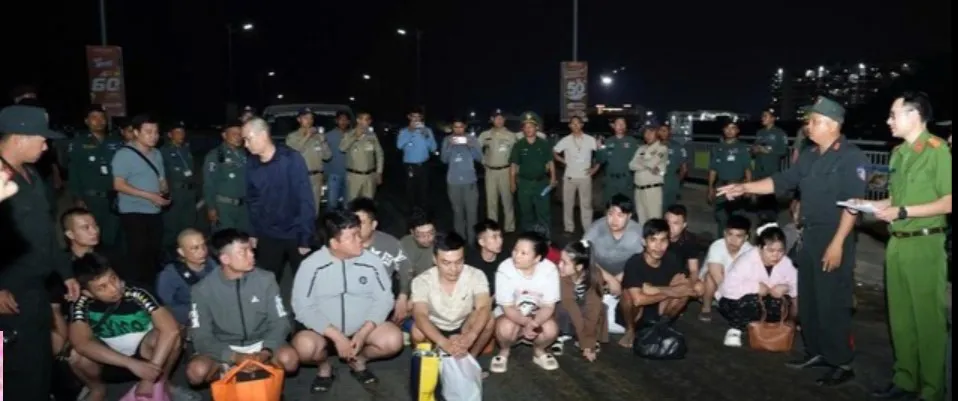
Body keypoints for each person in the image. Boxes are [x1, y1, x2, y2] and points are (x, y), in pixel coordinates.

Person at [717, 96, 868, 386]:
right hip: (808, 235)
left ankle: (840, 361)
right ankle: (817, 351)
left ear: (832, 124)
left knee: (832, 301)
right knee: (809, 299)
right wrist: (745, 187)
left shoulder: (851, 157)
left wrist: (837, 243)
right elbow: (780, 181)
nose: (808, 126)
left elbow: (853, 205)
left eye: (815, 121)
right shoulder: (810, 155)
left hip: (834, 235)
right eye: (809, 121)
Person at [867, 92, 952, 401]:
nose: (888, 120)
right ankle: (905, 380)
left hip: (925, 243)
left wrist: (902, 212)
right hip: (897, 243)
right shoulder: (898, 153)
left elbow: (948, 201)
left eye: (894, 114)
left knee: (928, 319)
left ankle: (932, 390)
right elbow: (898, 198)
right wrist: (869, 204)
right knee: (900, 318)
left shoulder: (937, 150)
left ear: (914, 115)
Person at [0, 104, 81, 401]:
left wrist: (65, 272)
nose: (46, 147)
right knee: (14, 370)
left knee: (39, 362)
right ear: (19, 138)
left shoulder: (31, 175)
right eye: (42, 139)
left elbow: (46, 231)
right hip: (9, 293)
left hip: (36, 288)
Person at [291, 210, 402, 392]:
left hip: (361, 329)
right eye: (352, 237)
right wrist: (336, 336)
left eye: (359, 233)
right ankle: (324, 367)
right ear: (334, 243)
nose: (360, 240)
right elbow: (302, 307)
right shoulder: (311, 266)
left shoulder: (372, 262)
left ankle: (359, 361)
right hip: (324, 332)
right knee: (304, 348)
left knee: (393, 340)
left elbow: (385, 299)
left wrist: (363, 333)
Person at [68, 253, 197, 401]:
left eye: (113, 278)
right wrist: (131, 364)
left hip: (147, 352)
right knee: (76, 356)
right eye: (102, 287)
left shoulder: (137, 291)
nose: (114, 288)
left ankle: (162, 383)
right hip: (109, 356)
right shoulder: (81, 303)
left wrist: (148, 377)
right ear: (88, 293)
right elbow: (81, 343)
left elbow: (171, 330)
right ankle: (97, 388)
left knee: (174, 335)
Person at [185, 228, 298, 386]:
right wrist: (232, 356)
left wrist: (266, 351)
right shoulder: (202, 290)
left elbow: (280, 321)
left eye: (251, 250)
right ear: (225, 259)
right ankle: (227, 372)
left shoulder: (265, 279)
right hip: (225, 347)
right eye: (243, 252)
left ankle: (263, 369)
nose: (251, 255)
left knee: (289, 359)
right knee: (196, 371)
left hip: (261, 343)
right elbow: (201, 336)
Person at [243, 118, 316, 282]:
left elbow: (305, 200)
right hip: (268, 235)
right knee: (268, 281)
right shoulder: (251, 164)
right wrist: (253, 233)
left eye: (248, 139)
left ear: (263, 135)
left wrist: (305, 238)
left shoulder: (291, 159)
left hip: (294, 233)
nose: (245, 145)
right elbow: (252, 201)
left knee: (304, 281)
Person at [410, 232, 495, 358]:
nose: (454, 269)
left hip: (464, 324)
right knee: (417, 331)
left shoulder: (476, 275)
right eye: (446, 263)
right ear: (435, 260)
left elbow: (483, 307)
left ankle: (471, 358)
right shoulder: (421, 281)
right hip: (436, 326)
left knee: (489, 319)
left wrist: (471, 336)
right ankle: (433, 361)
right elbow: (420, 315)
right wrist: (444, 343)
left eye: (459, 262)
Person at [620, 219, 702, 346]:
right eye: (653, 240)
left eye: (663, 240)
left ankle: (662, 326)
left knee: (684, 290)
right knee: (627, 294)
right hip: (635, 314)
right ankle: (630, 330)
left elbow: (694, 288)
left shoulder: (672, 259)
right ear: (644, 242)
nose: (659, 246)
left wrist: (657, 290)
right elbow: (638, 300)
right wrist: (672, 291)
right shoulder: (634, 263)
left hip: (660, 310)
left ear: (668, 242)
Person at [489, 232, 562, 373]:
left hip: (537, 314)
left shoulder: (549, 270)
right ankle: (504, 351)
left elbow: (548, 306)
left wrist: (534, 323)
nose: (516, 256)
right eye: (515, 250)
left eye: (523, 253)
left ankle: (539, 351)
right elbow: (507, 307)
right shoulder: (505, 268)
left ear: (537, 258)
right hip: (511, 315)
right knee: (505, 328)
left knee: (551, 330)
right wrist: (526, 322)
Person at [717, 223, 798, 347]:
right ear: (760, 248)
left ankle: (768, 326)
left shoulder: (785, 263)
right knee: (752, 300)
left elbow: (797, 287)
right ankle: (736, 328)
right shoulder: (746, 260)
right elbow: (727, 288)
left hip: (765, 304)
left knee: (783, 302)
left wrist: (787, 288)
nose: (776, 255)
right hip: (734, 302)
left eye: (780, 251)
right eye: (770, 250)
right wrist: (755, 287)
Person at [112, 114, 169, 285]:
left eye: (156, 132)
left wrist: (164, 192)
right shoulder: (124, 155)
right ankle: (138, 288)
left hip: (154, 210)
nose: (154, 136)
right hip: (134, 212)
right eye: (148, 132)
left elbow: (161, 179)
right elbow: (119, 185)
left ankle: (152, 286)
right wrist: (150, 195)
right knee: (138, 254)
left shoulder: (156, 153)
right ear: (136, 132)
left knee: (153, 252)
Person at [66, 104, 124, 248]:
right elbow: (73, 171)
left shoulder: (116, 141)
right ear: (87, 121)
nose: (99, 121)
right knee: (91, 237)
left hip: (113, 198)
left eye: (102, 117)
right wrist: (77, 198)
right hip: (90, 199)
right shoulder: (78, 143)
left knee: (112, 236)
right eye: (94, 117)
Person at [348, 197, 412, 323]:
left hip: (379, 308)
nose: (356, 227)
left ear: (373, 225)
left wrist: (403, 296)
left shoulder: (389, 243)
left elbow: (406, 268)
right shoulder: (342, 244)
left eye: (361, 223)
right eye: (353, 222)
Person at [583, 194, 645, 297]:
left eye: (620, 215)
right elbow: (583, 252)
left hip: (626, 273)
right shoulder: (596, 228)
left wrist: (618, 280)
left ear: (629, 216)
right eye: (610, 214)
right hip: (598, 271)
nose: (614, 220)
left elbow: (642, 260)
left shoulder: (637, 233)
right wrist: (609, 279)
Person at [555, 240, 607, 361]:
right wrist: (586, 342)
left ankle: (588, 336)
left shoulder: (595, 275)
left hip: (583, 310)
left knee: (601, 308)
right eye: (560, 260)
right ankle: (561, 334)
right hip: (569, 311)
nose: (559, 265)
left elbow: (593, 308)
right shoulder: (562, 276)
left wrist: (588, 342)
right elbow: (571, 306)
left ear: (579, 267)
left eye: (564, 263)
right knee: (561, 307)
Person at [155, 229, 216, 327]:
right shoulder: (170, 275)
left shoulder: (212, 264)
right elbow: (163, 307)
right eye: (195, 248)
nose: (202, 251)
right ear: (182, 252)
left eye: (203, 245)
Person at [699, 215, 753, 322]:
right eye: (730, 234)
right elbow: (716, 275)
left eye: (738, 236)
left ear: (746, 237)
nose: (733, 240)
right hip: (711, 284)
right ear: (724, 233)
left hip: (734, 285)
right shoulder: (717, 246)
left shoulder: (750, 251)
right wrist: (728, 301)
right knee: (710, 277)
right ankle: (706, 308)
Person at [510, 111, 556, 234]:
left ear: (536, 128)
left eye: (531, 126)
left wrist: (553, 178)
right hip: (525, 184)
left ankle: (545, 237)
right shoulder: (519, 145)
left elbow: (550, 162)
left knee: (544, 212)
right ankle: (529, 238)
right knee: (526, 212)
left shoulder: (544, 144)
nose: (528, 129)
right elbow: (513, 165)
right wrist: (512, 182)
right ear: (523, 129)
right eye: (525, 127)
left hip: (542, 183)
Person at [553, 116, 599, 234]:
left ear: (582, 125)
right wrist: (563, 161)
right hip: (569, 176)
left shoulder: (590, 139)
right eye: (573, 123)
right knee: (568, 204)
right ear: (569, 126)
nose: (575, 125)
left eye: (578, 123)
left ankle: (587, 228)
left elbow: (600, 154)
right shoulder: (566, 140)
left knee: (586, 204)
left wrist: (595, 168)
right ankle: (569, 228)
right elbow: (554, 152)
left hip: (585, 176)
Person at [441, 117, 483, 243]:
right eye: (456, 127)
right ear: (452, 128)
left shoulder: (471, 139)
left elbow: (479, 157)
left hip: (469, 181)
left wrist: (471, 146)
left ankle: (472, 240)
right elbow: (444, 159)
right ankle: (460, 240)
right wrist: (449, 146)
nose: (458, 130)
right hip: (453, 182)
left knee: (472, 213)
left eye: (461, 127)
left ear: (465, 127)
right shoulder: (447, 140)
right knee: (457, 212)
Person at [202, 120, 250, 231]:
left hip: (243, 207)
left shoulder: (245, 154)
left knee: (243, 237)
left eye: (240, 134)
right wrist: (211, 207)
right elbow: (209, 183)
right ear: (224, 135)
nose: (238, 137)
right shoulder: (215, 155)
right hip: (224, 207)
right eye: (234, 134)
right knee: (225, 238)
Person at [708, 119, 751, 237]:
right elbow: (713, 170)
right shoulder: (717, 148)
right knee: (721, 217)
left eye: (733, 128)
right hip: (721, 186)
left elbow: (747, 168)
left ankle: (737, 242)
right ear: (723, 130)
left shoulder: (742, 147)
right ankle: (721, 241)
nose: (729, 131)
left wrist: (748, 188)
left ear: (737, 131)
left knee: (737, 219)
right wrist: (710, 188)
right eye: (727, 128)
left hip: (736, 186)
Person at [285, 107, 332, 215]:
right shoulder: (292, 136)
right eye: (305, 118)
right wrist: (307, 136)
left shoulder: (318, 137)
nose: (309, 121)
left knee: (315, 208)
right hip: (300, 176)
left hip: (316, 177)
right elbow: (293, 152)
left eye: (311, 118)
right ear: (299, 120)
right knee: (300, 207)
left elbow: (327, 156)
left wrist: (323, 142)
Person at [159, 121, 199, 250]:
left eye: (182, 132)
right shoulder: (163, 151)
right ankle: (168, 253)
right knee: (172, 226)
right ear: (170, 134)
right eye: (177, 132)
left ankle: (186, 251)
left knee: (189, 225)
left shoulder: (186, 149)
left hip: (189, 193)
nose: (181, 135)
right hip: (174, 193)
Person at [478, 110, 518, 232]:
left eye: (501, 118)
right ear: (492, 120)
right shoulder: (485, 135)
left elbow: (516, 155)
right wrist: (483, 161)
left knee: (507, 200)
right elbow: (476, 150)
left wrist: (515, 173)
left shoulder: (511, 135)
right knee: (491, 201)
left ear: (504, 120)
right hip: (490, 172)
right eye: (496, 118)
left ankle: (510, 227)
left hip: (506, 171)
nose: (499, 120)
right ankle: (493, 227)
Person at [397, 107, 437, 212]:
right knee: (410, 190)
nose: (416, 119)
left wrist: (426, 135)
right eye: (413, 117)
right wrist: (410, 131)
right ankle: (411, 213)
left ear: (422, 118)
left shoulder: (427, 130)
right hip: (410, 165)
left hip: (424, 165)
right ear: (409, 117)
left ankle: (423, 213)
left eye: (418, 117)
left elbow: (433, 148)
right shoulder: (404, 131)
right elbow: (399, 146)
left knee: (424, 191)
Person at [751, 111, 789, 222]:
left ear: (773, 118)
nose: (762, 118)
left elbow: (783, 151)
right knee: (760, 197)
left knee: (770, 197)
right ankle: (761, 220)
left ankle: (771, 221)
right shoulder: (760, 132)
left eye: (765, 116)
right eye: (762, 116)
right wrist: (754, 150)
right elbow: (754, 149)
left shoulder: (779, 133)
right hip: (759, 169)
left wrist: (768, 151)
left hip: (771, 169)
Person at [340, 112, 385, 202]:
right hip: (354, 176)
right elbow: (342, 148)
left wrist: (379, 172)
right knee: (353, 203)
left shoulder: (372, 135)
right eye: (363, 119)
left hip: (370, 176)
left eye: (368, 120)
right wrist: (355, 137)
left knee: (368, 203)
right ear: (358, 120)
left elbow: (379, 154)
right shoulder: (349, 134)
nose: (366, 122)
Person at [595, 117, 640, 207]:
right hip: (610, 181)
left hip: (626, 181)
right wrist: (599, 148)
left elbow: (639, 159)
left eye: (623, 124)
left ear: (626, 126)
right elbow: (601, 160)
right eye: (618, 124)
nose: (621, 126)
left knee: (626, 207)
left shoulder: (632, 142)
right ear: (613, 126)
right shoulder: (607, 141)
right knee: (609, 207)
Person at [630, 125, 668, 223]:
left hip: (652, 190)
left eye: (651, 132)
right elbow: (631, 165)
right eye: (646, 132)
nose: (648, 135)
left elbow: (652, 163)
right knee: (641, 221)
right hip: (638, 190)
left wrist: (641, 162)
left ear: (657, 134)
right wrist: (647, 165)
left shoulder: (662, 148)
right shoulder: (641, 148)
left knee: (654, 221)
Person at [465, 219, 508, 297]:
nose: (500, 240)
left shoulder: (506, 257)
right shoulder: (471, 263)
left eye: (500, 236)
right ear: (481, 242)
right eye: (494, 237)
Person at [400, 208, 438, 291]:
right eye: (421, 235)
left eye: (431, 233)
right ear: (412, 233)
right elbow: (405, 277)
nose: (427, 238)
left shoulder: (441, 244)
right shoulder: (405, 244)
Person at [324, 111, 352, 210]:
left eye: (345, 120)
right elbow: (324, 156)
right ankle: (330, 219)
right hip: (334, 174)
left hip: (350, 175)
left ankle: (346, 220)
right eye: (341, 120)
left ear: (349, 121)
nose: (343, 122)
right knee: (332, 203)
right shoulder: (328, 136)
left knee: (348, 204)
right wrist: (325, 173)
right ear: (336, 121)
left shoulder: (353, 135)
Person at [660, 124, 688, 208]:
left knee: (670, 206)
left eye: (665, 130)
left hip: (670, 180)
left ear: (669, 132)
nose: (662, 133)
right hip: (654, 180)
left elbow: (684, 168)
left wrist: (677, 181)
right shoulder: (652, 145)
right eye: (660, 130)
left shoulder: (677, 147)